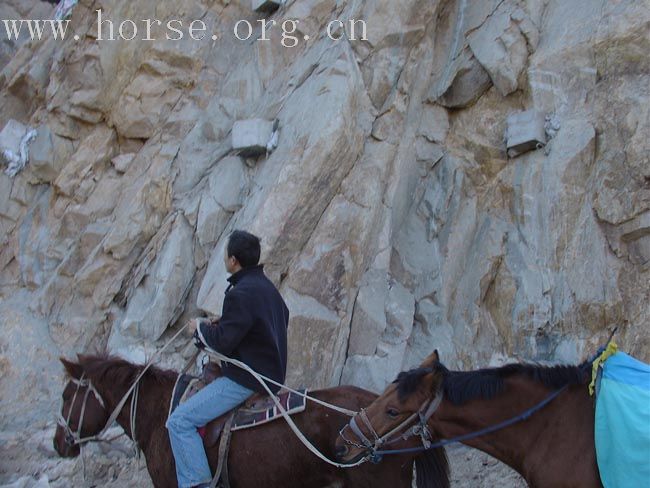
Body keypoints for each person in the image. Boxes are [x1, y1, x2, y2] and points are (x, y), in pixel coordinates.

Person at [166, 230, 290, 488]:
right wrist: (227, 323)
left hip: (248, 380)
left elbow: (222, 342)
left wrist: (197, 329)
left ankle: (197, 483)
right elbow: (277, 318)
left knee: (179, 421)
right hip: (273, 374)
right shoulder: (266, 287)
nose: (224, 259)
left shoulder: (239, 293)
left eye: (225, 255)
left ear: (233, 260)